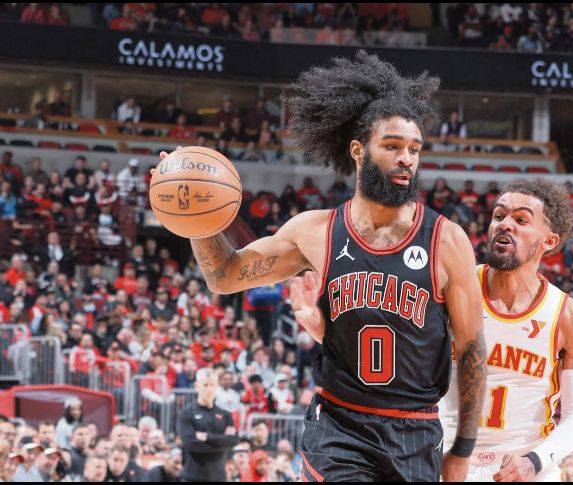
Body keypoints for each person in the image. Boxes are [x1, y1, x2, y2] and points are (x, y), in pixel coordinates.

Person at [163, 51, 487, 482]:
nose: (406, 158)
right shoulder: (315, 231)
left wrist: (463, 449)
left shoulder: (447, 240)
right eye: (391, 146)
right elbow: (224, 276)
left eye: (414, 149)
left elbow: (471, 352)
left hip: (416, 431)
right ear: (358, 150)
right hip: (340, 426)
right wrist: (199, 221)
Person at [438, 180, 573, 481]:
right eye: (499, 216)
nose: (505, 225)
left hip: (525, 465)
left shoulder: (571, 316)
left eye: (521, 220)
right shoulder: (453, 290)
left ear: (549, 241)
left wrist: (535, 461)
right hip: (449, 460)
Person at [177, 367, 239, 482]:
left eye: (213, 385)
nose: (209, 389)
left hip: (219, 477)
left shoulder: (225, 415)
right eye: (205, 385)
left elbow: (233, 440)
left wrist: (207, 437)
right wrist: (221, 443)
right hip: (192, 477)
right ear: (197, 386)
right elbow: (191, 444)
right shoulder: (187, 413)